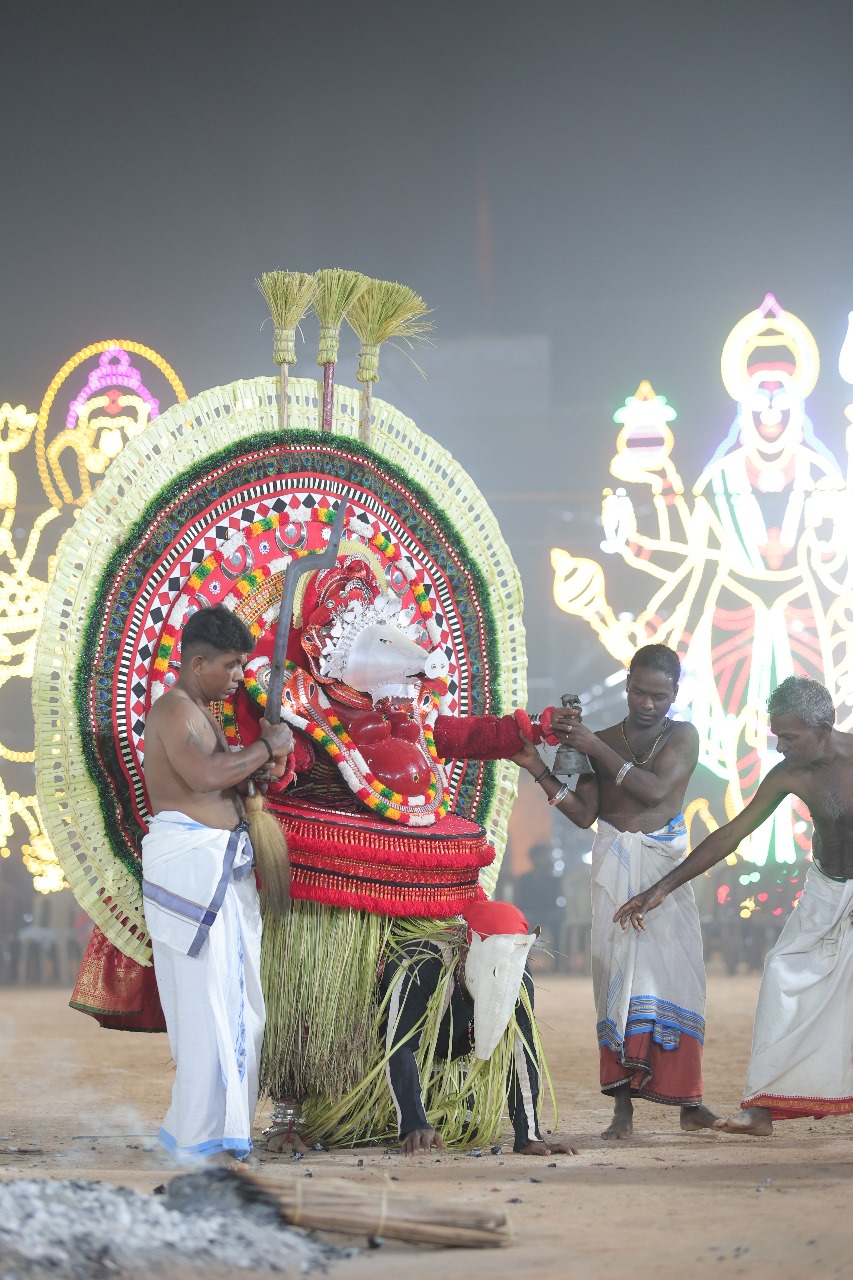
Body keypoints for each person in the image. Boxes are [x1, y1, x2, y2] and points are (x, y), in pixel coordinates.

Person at [615, 674, 853, 1136]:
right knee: (782, 975)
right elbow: (731, 834)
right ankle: (761, 1110)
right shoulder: (789, 774)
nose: (780, 746)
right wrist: (660, 888)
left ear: (824, 727)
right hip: (826, 890)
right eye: (776, 735)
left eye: (790, 736)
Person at [514, 643, 718, 1139]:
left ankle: (689, 1102)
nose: (647, 703)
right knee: (615, 985)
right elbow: (584, 815)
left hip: (663, 873)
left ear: (674, 694)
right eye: (639, 692)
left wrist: (593, 746)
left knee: (678, 978)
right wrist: (536, 767)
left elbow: (654, 790)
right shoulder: (597, 740)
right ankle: (621, 1111)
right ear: (627, 684)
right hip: (614, 871)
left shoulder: (683, 736)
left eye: (658, 696)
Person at [141, 604, 294, 1160]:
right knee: (211, 1008)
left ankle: (208, 1132)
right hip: (194, 871)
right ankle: (206, 1138)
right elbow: (202, 777)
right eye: (231, 665)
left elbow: (221, 786)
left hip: (220, 869)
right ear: (198, 661)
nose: (238, 676)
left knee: (238, 1008)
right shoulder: (174, 712)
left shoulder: (203, 711)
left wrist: (262, 770)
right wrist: (263, 749)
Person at [380, 899, 576, 1156]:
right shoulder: (418, 963)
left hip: (456, 1042)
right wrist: (413, 1122)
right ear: (464, 953)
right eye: (491, 969)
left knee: (465, 1127)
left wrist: (529, 1135)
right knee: (377, 1126)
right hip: (394, 1043)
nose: (500, 976)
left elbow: (522, 1050)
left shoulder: (516, 972)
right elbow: (400, 1046)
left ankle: (444, 1091)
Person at [513, 844, 565, 965]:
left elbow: (554, 901)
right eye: (540, 856)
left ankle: (558, 962)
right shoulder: (524, 879)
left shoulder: (554, 879)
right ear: (534, 859)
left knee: (558, 919)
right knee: (523, 921)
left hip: (548, 912)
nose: (543, 859)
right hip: (530, 912)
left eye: (545, 856)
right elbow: (520, 900)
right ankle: (522, 962)